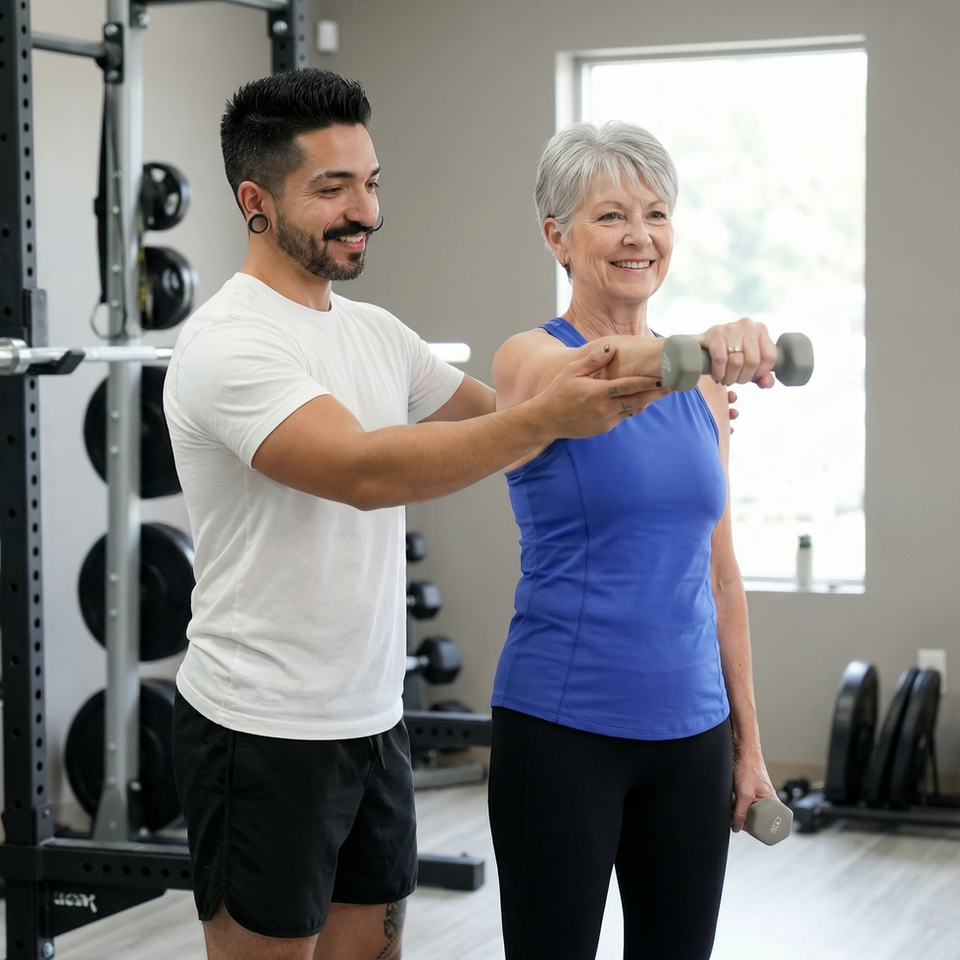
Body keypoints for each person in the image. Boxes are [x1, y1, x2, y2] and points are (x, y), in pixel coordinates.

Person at [162, 70, 678, 960]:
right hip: (262, 728)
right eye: (332, 189)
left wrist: (689, 364)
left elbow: (509, 406)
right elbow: (364, 470)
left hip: (370, 716)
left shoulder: (374, 332)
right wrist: (552, 413)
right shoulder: (229, 344)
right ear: (255, 201)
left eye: (371, 182)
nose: (364, 209)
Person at [487, 120, 781, 960]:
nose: (639, 236)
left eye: (655, 214)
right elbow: (600, 376)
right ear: (557, 237)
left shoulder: (702, 395)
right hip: (562, 729)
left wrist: (748, 744)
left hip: (690, 736)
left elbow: (722, 577)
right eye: (612, 215)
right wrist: (699, 349)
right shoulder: (531, 361)